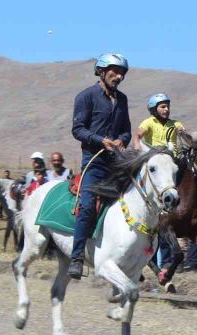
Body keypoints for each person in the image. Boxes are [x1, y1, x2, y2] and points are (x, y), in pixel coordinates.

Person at [69, 52, 132, 279]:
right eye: (115, 71)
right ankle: (76, 258)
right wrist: (99, 140)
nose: (119, 76)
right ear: (102, 71)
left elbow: (126, 130)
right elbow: (77, 130)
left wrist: (121, 140)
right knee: (87, 206)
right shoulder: (86, 97)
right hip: (93, 162)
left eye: (122, 73)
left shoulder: (122, 100)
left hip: (116, 163)